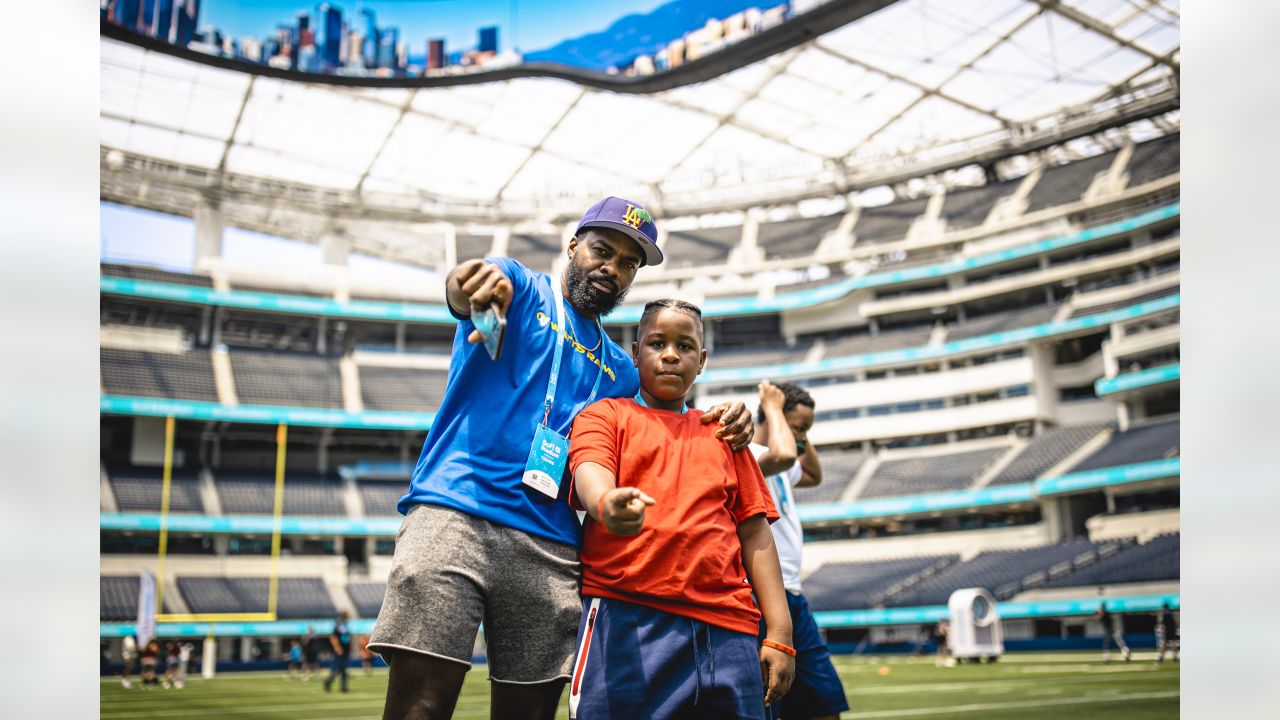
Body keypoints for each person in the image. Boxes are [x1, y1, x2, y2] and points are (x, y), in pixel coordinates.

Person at [369, 197, 754, 720]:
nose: (611, 268)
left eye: (627, 264)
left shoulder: (622, 369)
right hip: (456, 513)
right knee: (421, 703)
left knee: (529, 712)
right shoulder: (523, 291)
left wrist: (731, 414)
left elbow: (670, 417)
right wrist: (473, 285)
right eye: (602, 250)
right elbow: (469, 289)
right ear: (573, 245)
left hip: (551, 543)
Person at [565, 299, 794, 719]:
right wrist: (605, 502)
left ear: (702, 360)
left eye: (685, 346)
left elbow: (755, 532)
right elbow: (590, 471)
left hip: (730, 630)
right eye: (657, 343)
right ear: (635, 353)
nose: (671, 354)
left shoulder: (724, 433)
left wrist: (779, 631)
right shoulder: (606, 415)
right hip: (628, 619)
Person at [750, 380, 850, 720]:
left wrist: (800, 430)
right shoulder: (750, 454)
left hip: (794, 595)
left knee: (824, 703)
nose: (802, 438)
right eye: (797, 429)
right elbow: (784, 454)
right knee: (767, 701)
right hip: (762, 597)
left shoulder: (788, 459)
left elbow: (812, 473)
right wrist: (774, 408)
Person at [324, 611, 352, 693]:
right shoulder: (338, 624)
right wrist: (337, 648)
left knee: (344, 669)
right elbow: (333, 637)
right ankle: (328, 681)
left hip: (345, 650)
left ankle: (344, 687)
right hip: (339, 651)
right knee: (336, 669)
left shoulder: (345, 624)